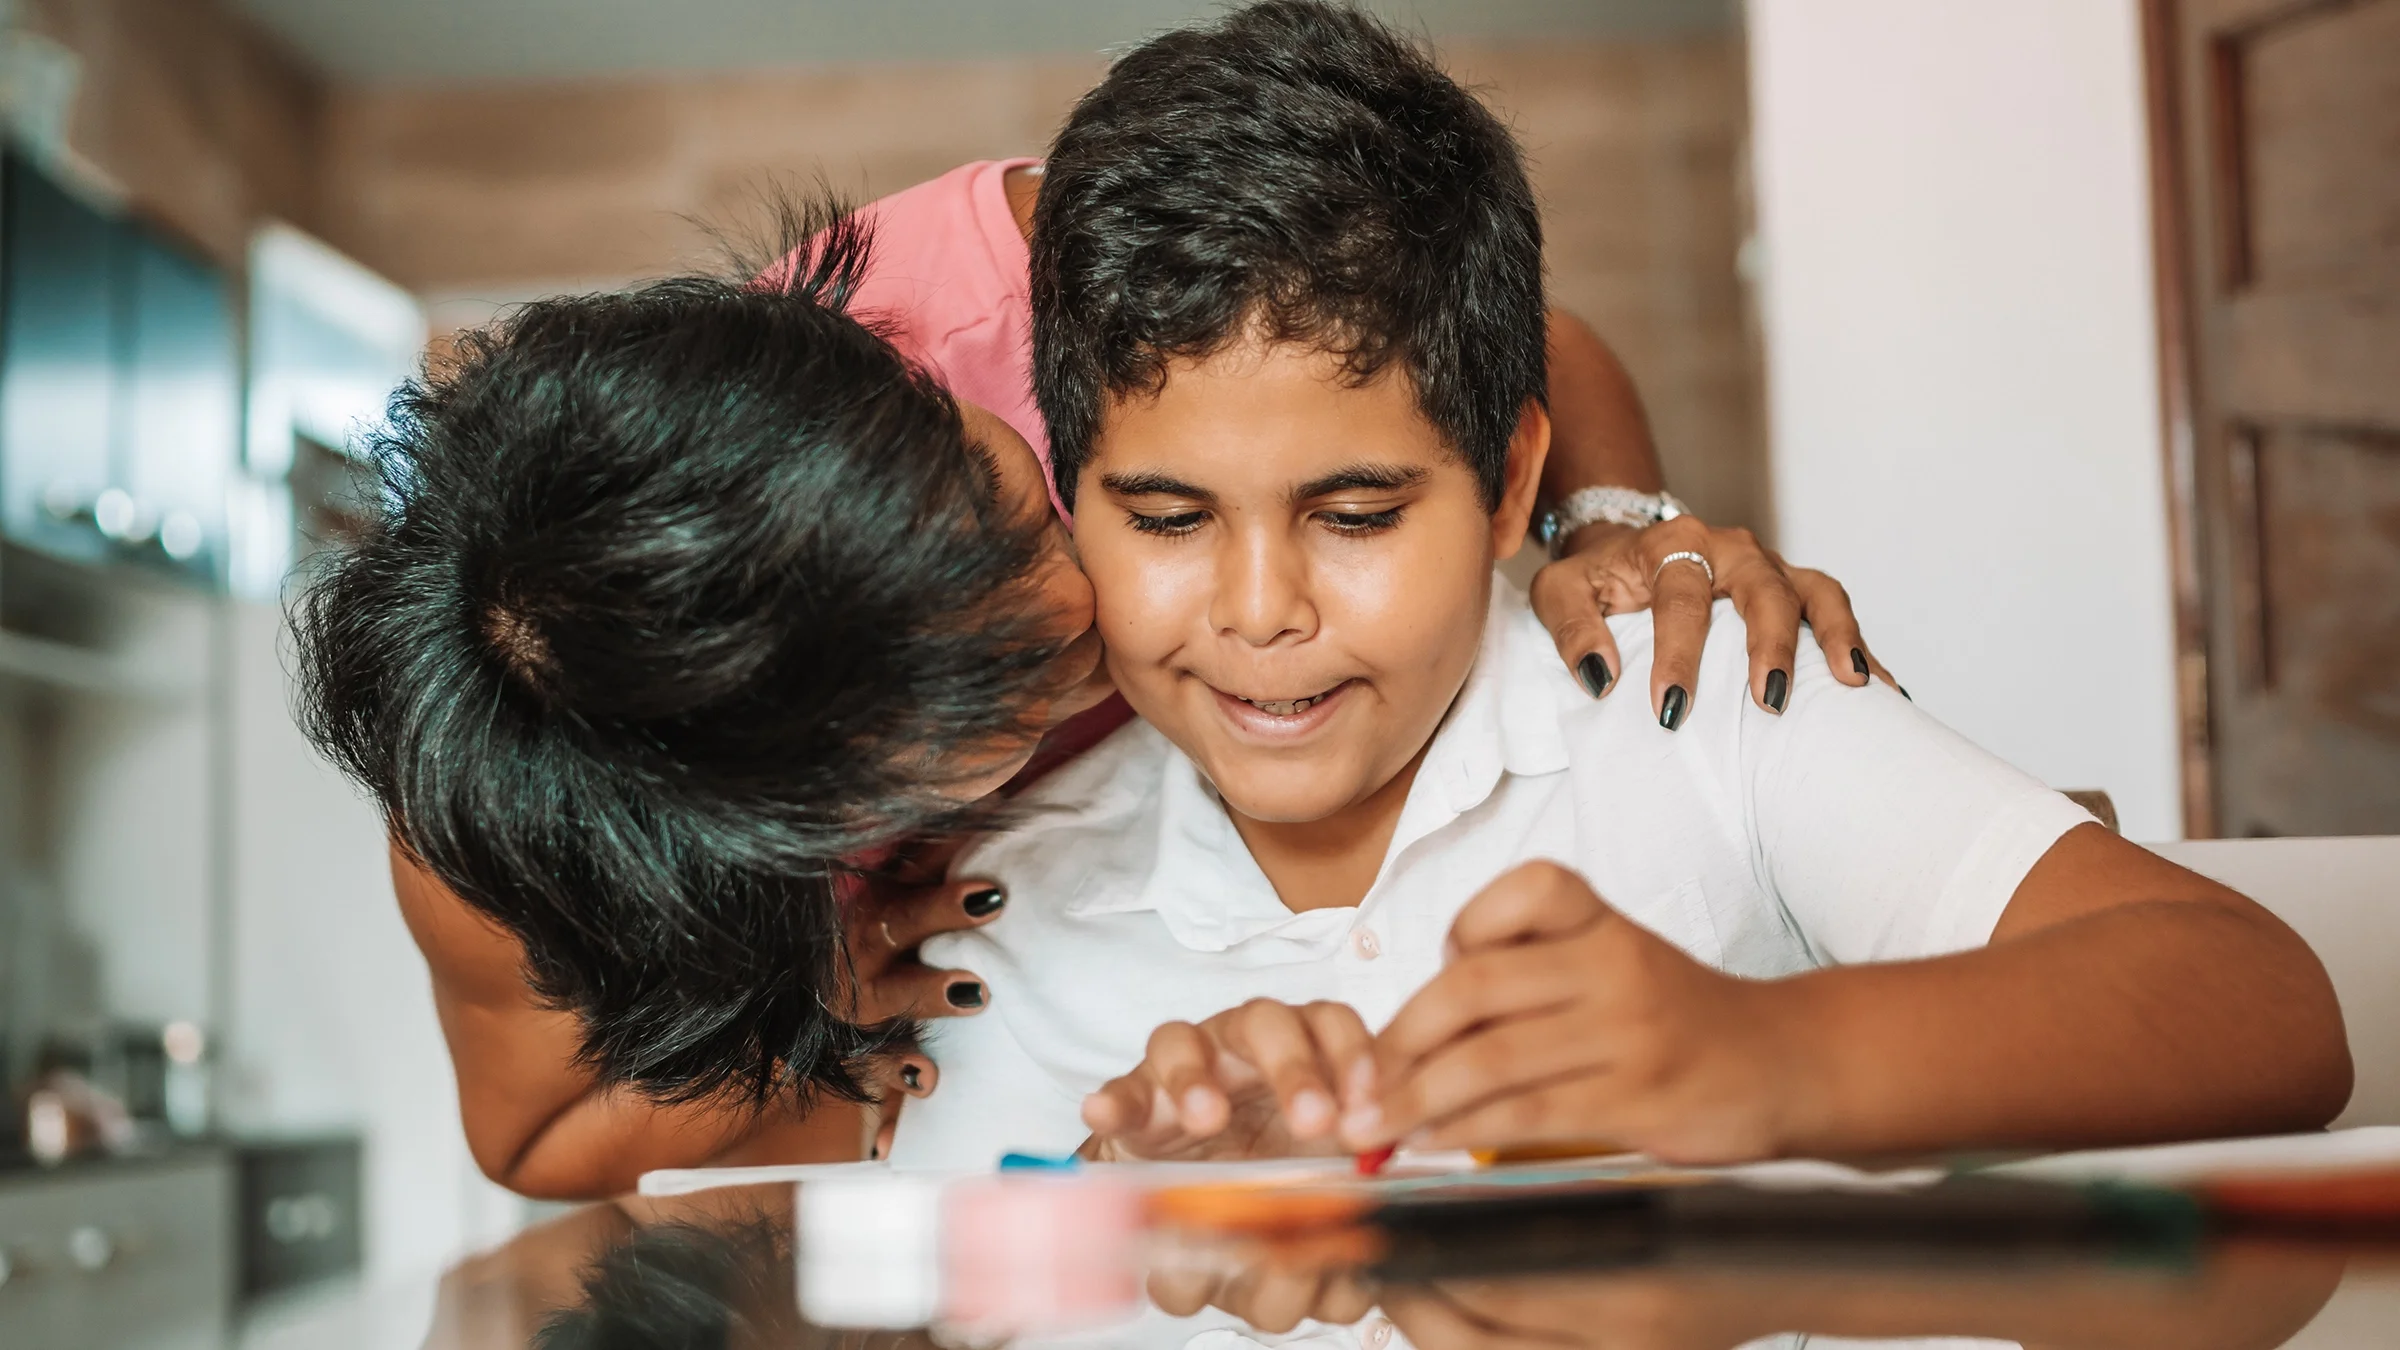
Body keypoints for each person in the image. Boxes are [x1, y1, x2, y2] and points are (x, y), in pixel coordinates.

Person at [884, 1, 2349, 1170]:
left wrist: (1763, 1054)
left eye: (1355, 513)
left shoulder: (1695, 709)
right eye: (1165, 516)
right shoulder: (987, 902)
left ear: (1514, 483)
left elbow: (2264, 1006)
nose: (1261, 611)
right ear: (1075, 500)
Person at [295, 165, 1879, 1196]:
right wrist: (821, 1023)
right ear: (783, 826)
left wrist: (1614, 526)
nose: (1083, 595)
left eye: (1004, 496)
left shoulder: (1020, 289)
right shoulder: (517, 845)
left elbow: (1515, 337)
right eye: (999, 682)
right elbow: (539, 1137)